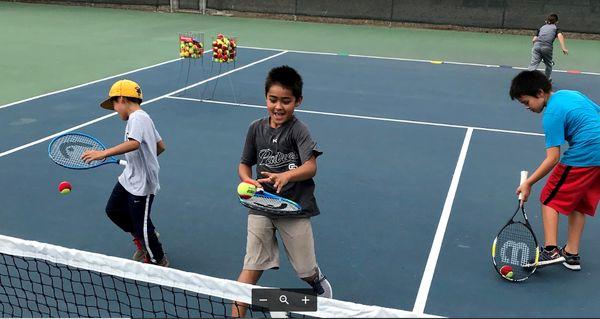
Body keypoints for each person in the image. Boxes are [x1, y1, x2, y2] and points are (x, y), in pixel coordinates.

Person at [232, 66, 332, 317]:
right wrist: (247, 180)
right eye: (272, 99)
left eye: (285, 101)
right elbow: (245, 163)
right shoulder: (255, 128)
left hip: (294, 208)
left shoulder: (299, 130)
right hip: (261, 206)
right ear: (265, 97)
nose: (278, 107)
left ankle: (316, 284)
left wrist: (286, 175)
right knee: (251, 266)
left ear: (298, 101)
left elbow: (311, 166)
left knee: (305, 270)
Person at [510, 70, 600, 271]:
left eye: (526, 102)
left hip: (585, 154)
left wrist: (528, 183)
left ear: (540, 93)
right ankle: (571, 254)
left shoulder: (551, 114)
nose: (527, 107)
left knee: (549, 198)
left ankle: (550, 250)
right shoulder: (571, 94)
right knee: (578, 202)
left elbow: (553, 159)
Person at [82, 79, 169, 267]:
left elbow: (134, 143)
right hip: (130, 176)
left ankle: (158, 259)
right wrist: (141, 161)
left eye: (114, 104)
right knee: (113, 210)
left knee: (141, 223)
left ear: (121, 99)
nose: (114, 109)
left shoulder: (138, 118)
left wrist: (104, 153)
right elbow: (160, 146)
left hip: (142, 183)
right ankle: (143, 238)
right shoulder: (142, 118)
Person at [527, 13, 569, 81]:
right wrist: (563, 48)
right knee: (549, 65)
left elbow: (534, 40)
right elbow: (560, 36)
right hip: (547, 48)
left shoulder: (541, 28)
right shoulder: (556, 28)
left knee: (533, 65)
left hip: (536, 46)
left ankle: (526, 80)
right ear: (556, 22)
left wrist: (537, 49)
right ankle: (546, 80)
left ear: (546, 21)